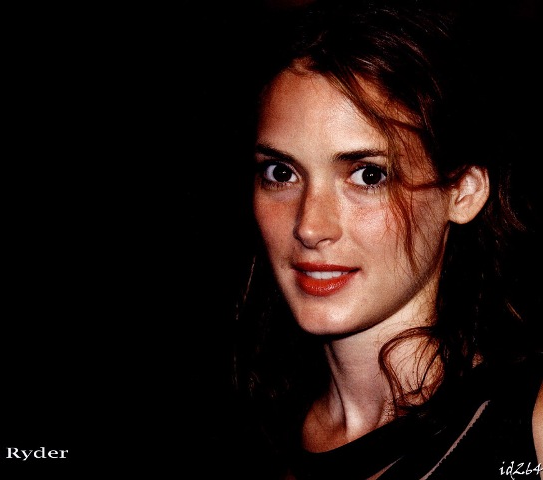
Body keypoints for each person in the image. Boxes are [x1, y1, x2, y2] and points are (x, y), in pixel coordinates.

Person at [228, 0, 543, 478]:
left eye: (368, 175)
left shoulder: (531, 432)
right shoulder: (247, 434)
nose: (310, 227)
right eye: (281, 172)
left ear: (463, 192)